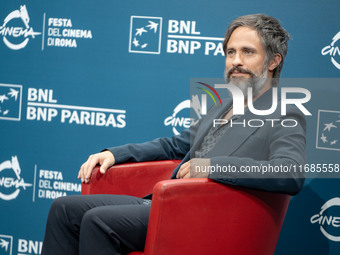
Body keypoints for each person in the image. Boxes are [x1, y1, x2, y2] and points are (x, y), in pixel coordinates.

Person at [41, 14, 306, 255]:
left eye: (248, 52)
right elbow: (173, 145)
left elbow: (290, 172)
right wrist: (114, 153)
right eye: (230, 52)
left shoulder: (285, 114)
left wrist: (211, 166)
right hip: (166, 204)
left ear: (273, 60)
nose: (236, 61)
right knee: (64, 209)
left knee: (97, 222)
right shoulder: (222, 106)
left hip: (208, 219)